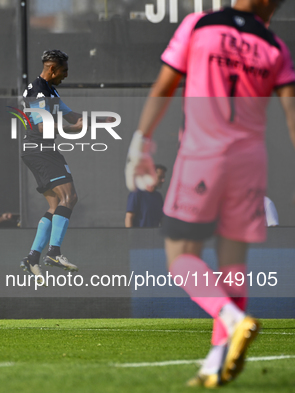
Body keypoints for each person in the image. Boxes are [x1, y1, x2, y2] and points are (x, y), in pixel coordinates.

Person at [125, 0, 295, 387]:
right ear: (270, 5)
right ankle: (214, 365)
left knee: (180, 258)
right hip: (251, 163)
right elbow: (292, 116)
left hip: (203, 156)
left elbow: (164, 86)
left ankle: (233, 322)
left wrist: (142, 144)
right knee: (233, 266)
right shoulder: (276, 48)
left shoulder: (199, 25)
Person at [19, 49, 83, 278]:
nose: (66, 75)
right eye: (64, 70)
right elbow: (42, 127)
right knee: (70, 197)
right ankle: (54, 253)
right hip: (40, 150)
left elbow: (71, 115)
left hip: (40, 150)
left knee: (56, 205)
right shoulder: (37, 92)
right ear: (52, 68)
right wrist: (71, 129)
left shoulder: (50, 90)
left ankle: (32, 257)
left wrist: (96, 121)